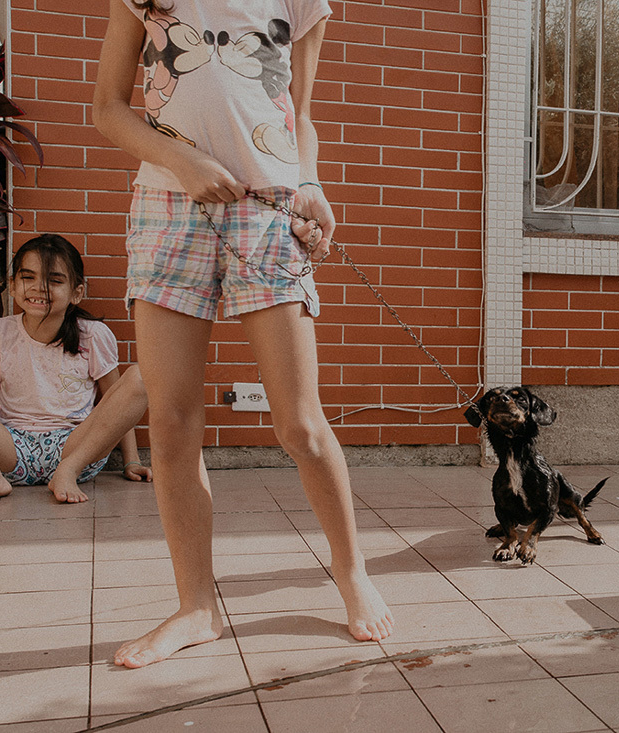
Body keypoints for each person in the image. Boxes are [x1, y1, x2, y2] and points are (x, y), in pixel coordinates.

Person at [92, 0, 394, 668]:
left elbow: (299, 114)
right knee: (171, 420)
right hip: (168, 205)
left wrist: (310, 182)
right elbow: (107, 108)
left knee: (300, 424)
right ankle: (196, 606)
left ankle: (351, 572)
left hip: (267, 209)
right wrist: (180, 161)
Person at [0, 234, 152, 508]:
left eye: (55, 280)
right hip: (9, 448)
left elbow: (116, 404)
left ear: (76, 293)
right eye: (28, 277)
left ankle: (66, 472)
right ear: (12, 286)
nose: (39, 288)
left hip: (76, 449)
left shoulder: (93, 335)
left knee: (141, 377)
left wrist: (132, 461)